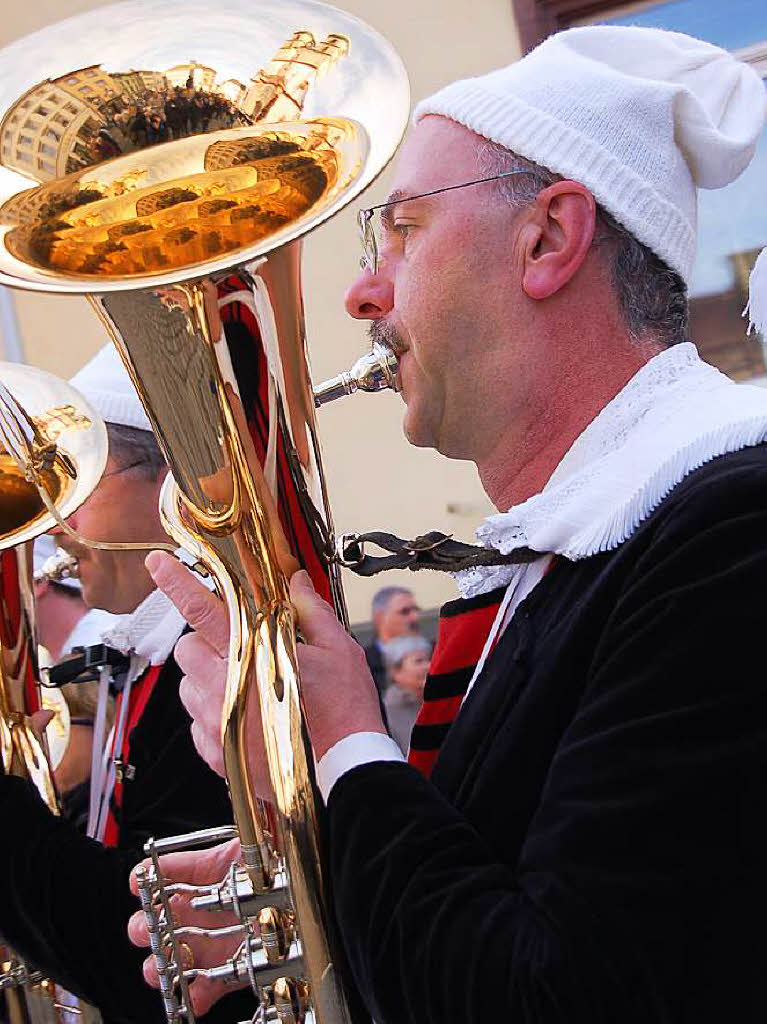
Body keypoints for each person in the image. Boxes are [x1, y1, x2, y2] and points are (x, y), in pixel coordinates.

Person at [135, 25, 767, 1024]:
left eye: (404, 230)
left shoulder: (730, 532)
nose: (360, 291)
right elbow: (498, 892)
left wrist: (336, 743)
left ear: (548, 238)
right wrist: (319, 876)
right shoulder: (548, 554)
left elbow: (552, 997)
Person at [0, 345, 247, 1024]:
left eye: (80, 480)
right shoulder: (140, 654)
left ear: (172, 483)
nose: (56, 523)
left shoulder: (214, 660)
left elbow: (143, 940)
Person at [363, 585, 422, 695]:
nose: (415, 617)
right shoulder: (363, 665)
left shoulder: (435, 654)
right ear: (380, 617)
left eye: (416, 610)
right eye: (405, 612)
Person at [381, 634, 432, 754]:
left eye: (429, 659)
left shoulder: (438, 701)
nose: (428, 666)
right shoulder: (385, 713)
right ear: (396, 672)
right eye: (419, 661)